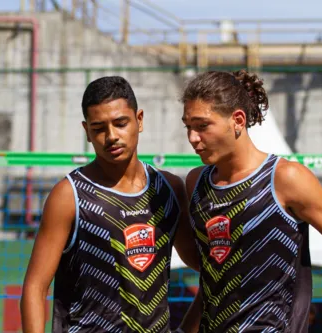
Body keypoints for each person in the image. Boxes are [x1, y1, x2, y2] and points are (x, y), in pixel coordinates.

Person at [174, 70, 322, 332]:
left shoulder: (285, 178)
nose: (193, 137)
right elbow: (214, 274)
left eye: (202, 125)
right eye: (188, 127)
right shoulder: (196, 183)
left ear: (238, 120)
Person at [20, 76, 199, 333]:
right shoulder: (69, 195)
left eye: (120, 123)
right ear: (87, 132)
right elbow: (35, 288)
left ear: (139, 120)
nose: (111, 136)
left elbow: (211, 270)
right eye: (99, 128)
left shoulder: (170, 189)